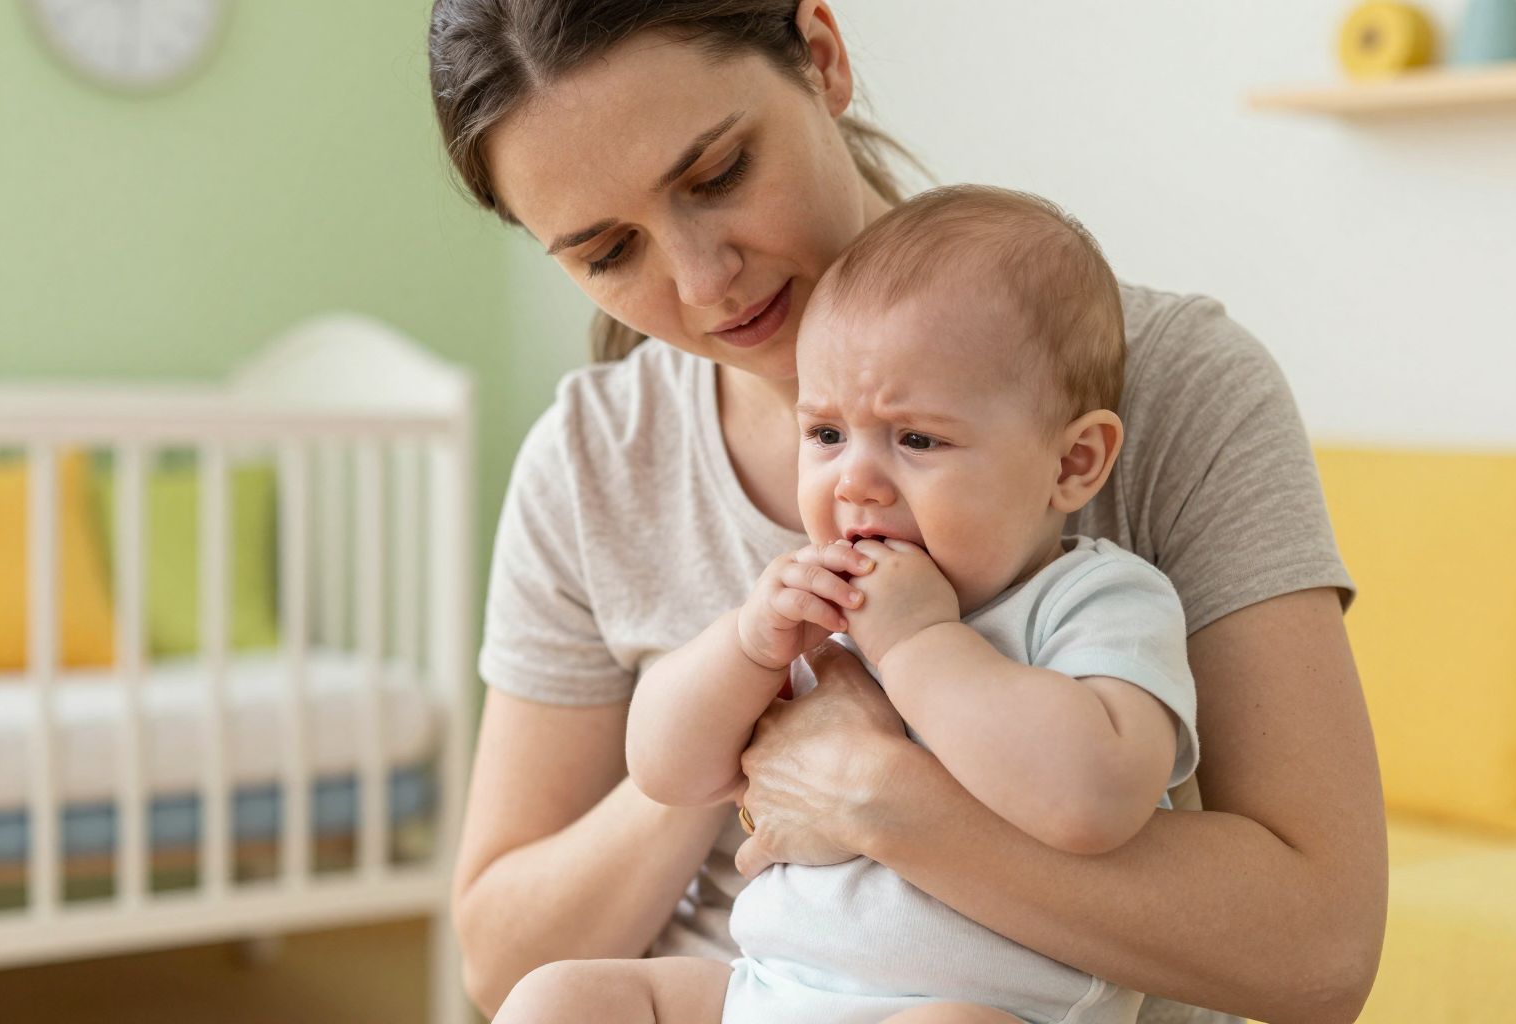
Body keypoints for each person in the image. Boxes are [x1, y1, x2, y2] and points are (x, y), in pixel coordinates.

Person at [429, 3, 1388, 1023]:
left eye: (718, 175)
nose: (705, 282)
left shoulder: (1173, 386)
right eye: (608, 252)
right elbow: (500, 961)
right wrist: (751, 727)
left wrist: (876, 795)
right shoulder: (592, 461)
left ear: (824, 57)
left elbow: (1322, 952)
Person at [495, 185, 1202, 1024]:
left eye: (917, 439)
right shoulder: (813, 605)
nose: (854, 480)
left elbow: (1091, 800)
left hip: (976, 1008)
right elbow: (667, 770)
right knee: (562, 999)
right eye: (826, 434)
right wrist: (745, 647)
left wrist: (918, 643)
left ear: (1073, 462)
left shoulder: (1093, 601)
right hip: (771, 993)